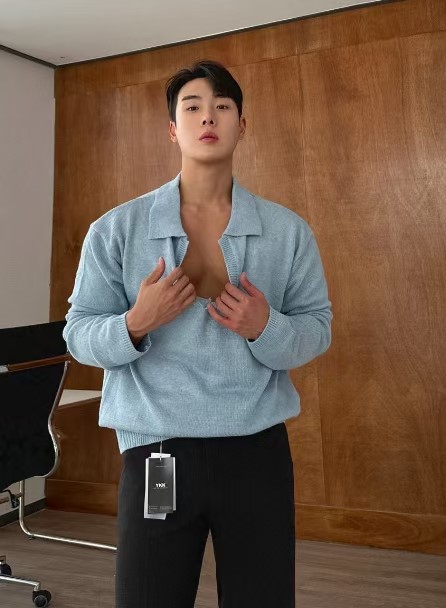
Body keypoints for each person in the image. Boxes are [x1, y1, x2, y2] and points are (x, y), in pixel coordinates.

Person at [63, 59, 333, 608]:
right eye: (193, 107)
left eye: (222, 107)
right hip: (156, 449)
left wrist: (264, 327)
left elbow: (317, 329)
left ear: (241, 126)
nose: (208, 117)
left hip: (256, 450)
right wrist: (135, 323)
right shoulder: (115, 229)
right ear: (173, 129)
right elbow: (78, 334)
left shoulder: (288, 231)